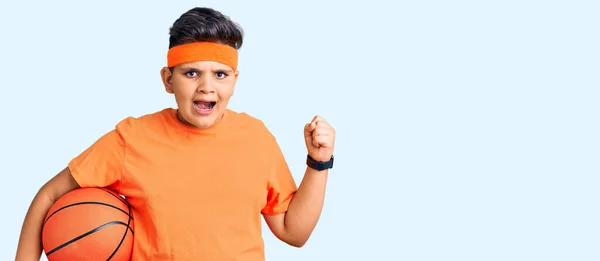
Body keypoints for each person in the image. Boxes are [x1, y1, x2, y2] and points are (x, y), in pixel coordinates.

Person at [15, 7, 335, 261]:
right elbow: (49, 195)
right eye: (191, 73)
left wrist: (318, 163)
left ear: (234, 81)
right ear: (168, 80)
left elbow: (294, 233)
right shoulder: (132, 139)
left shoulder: (256, 138)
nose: (206, 86)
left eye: (220, 74)